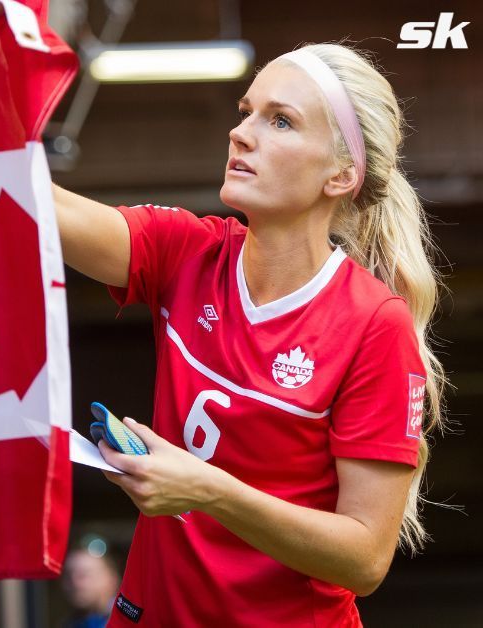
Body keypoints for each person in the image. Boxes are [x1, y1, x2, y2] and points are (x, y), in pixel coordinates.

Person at [52, 44, 444, 625]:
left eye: (280, 120)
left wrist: (209, 490)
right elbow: (34, 208)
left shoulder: (373, 324)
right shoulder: (186, 251)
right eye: (246, 111)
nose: (241, 133)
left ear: (341, 174)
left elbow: (364, 559)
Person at [60, 542, 120, 628]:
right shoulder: (72, 623)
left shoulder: (129, 621)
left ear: (112, 579)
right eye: (68, 576)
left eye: (83, 575)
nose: (74, 583)